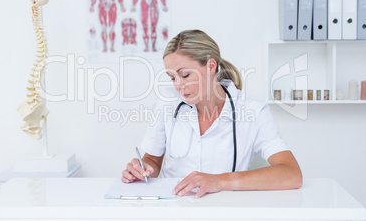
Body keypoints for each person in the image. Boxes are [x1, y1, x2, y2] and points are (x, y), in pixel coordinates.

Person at [121, 30, 302, 199]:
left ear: (211, 66)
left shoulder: (253, 111)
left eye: (185, 75)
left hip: (223, 210)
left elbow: (291, 174)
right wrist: (143, 170)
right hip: (173, 208)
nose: (178, 85)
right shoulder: (168, 103)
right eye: (172, 77)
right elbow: (152, 159)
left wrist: (220, 181)